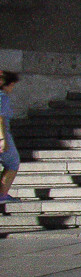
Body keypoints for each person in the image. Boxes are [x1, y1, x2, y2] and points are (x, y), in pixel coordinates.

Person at [0, 71, 20, 203]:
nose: (12, 89)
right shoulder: (2, 97)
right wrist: (2, 139)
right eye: (13, 86)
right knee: (13, 162)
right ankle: (2, 195)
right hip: (2, 134)